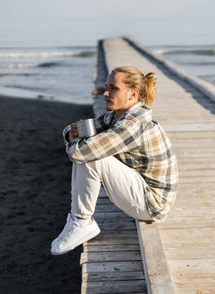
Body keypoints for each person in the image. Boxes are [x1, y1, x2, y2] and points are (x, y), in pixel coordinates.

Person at [51, 66, 178, 255]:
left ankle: (81, 221)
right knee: (91, 151)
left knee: (92, 156)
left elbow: (80, 153)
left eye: (113, 88)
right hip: (141, 189)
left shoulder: (133, 124)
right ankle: (79, 222)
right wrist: (72, 134)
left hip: (152, 205)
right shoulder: (117, 115)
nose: (105, 93)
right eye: (106, 87)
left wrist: (74, 140)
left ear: (132, 94)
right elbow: (76, 129)